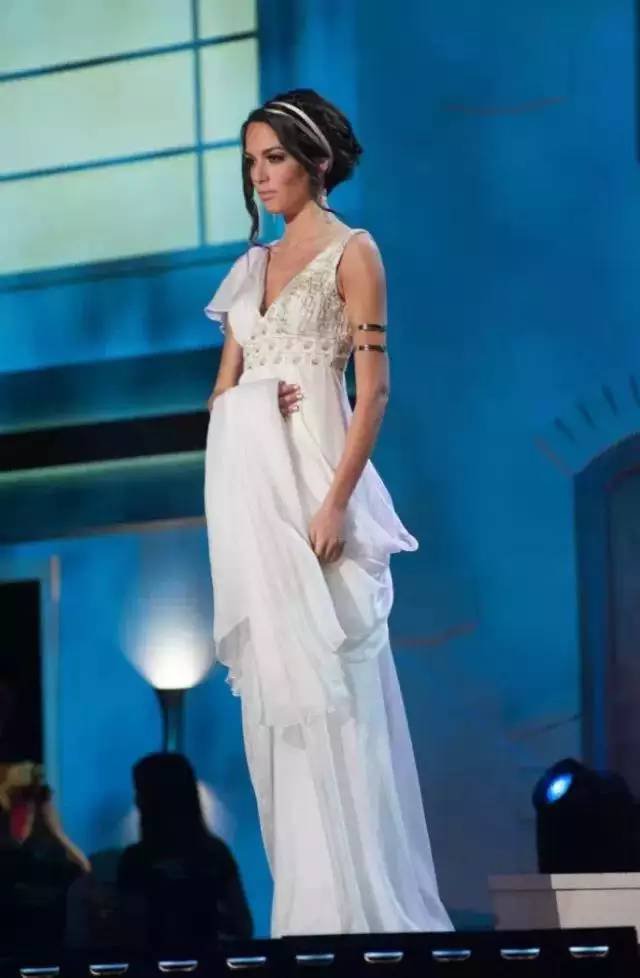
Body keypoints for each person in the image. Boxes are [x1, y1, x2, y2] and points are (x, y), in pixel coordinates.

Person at [204, 88, 451, 937]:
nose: (260, 175)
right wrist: (250, 406)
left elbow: (372, 389)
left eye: (274, 158)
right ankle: (306, 917)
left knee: (340, 695)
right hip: (256, 501)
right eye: (250, 162)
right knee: (280, 709)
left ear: (315, 160)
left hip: (318, 487)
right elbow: (223, 397)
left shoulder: (354, 251)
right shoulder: (249, 268)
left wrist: (337, 502)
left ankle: (366, 916)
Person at [117, 753, 253, 950]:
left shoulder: (136, 860)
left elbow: (131, 931)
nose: (136, 801)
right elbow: (243, 926)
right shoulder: (215, 853)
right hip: (209, 961)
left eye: (141, 792)